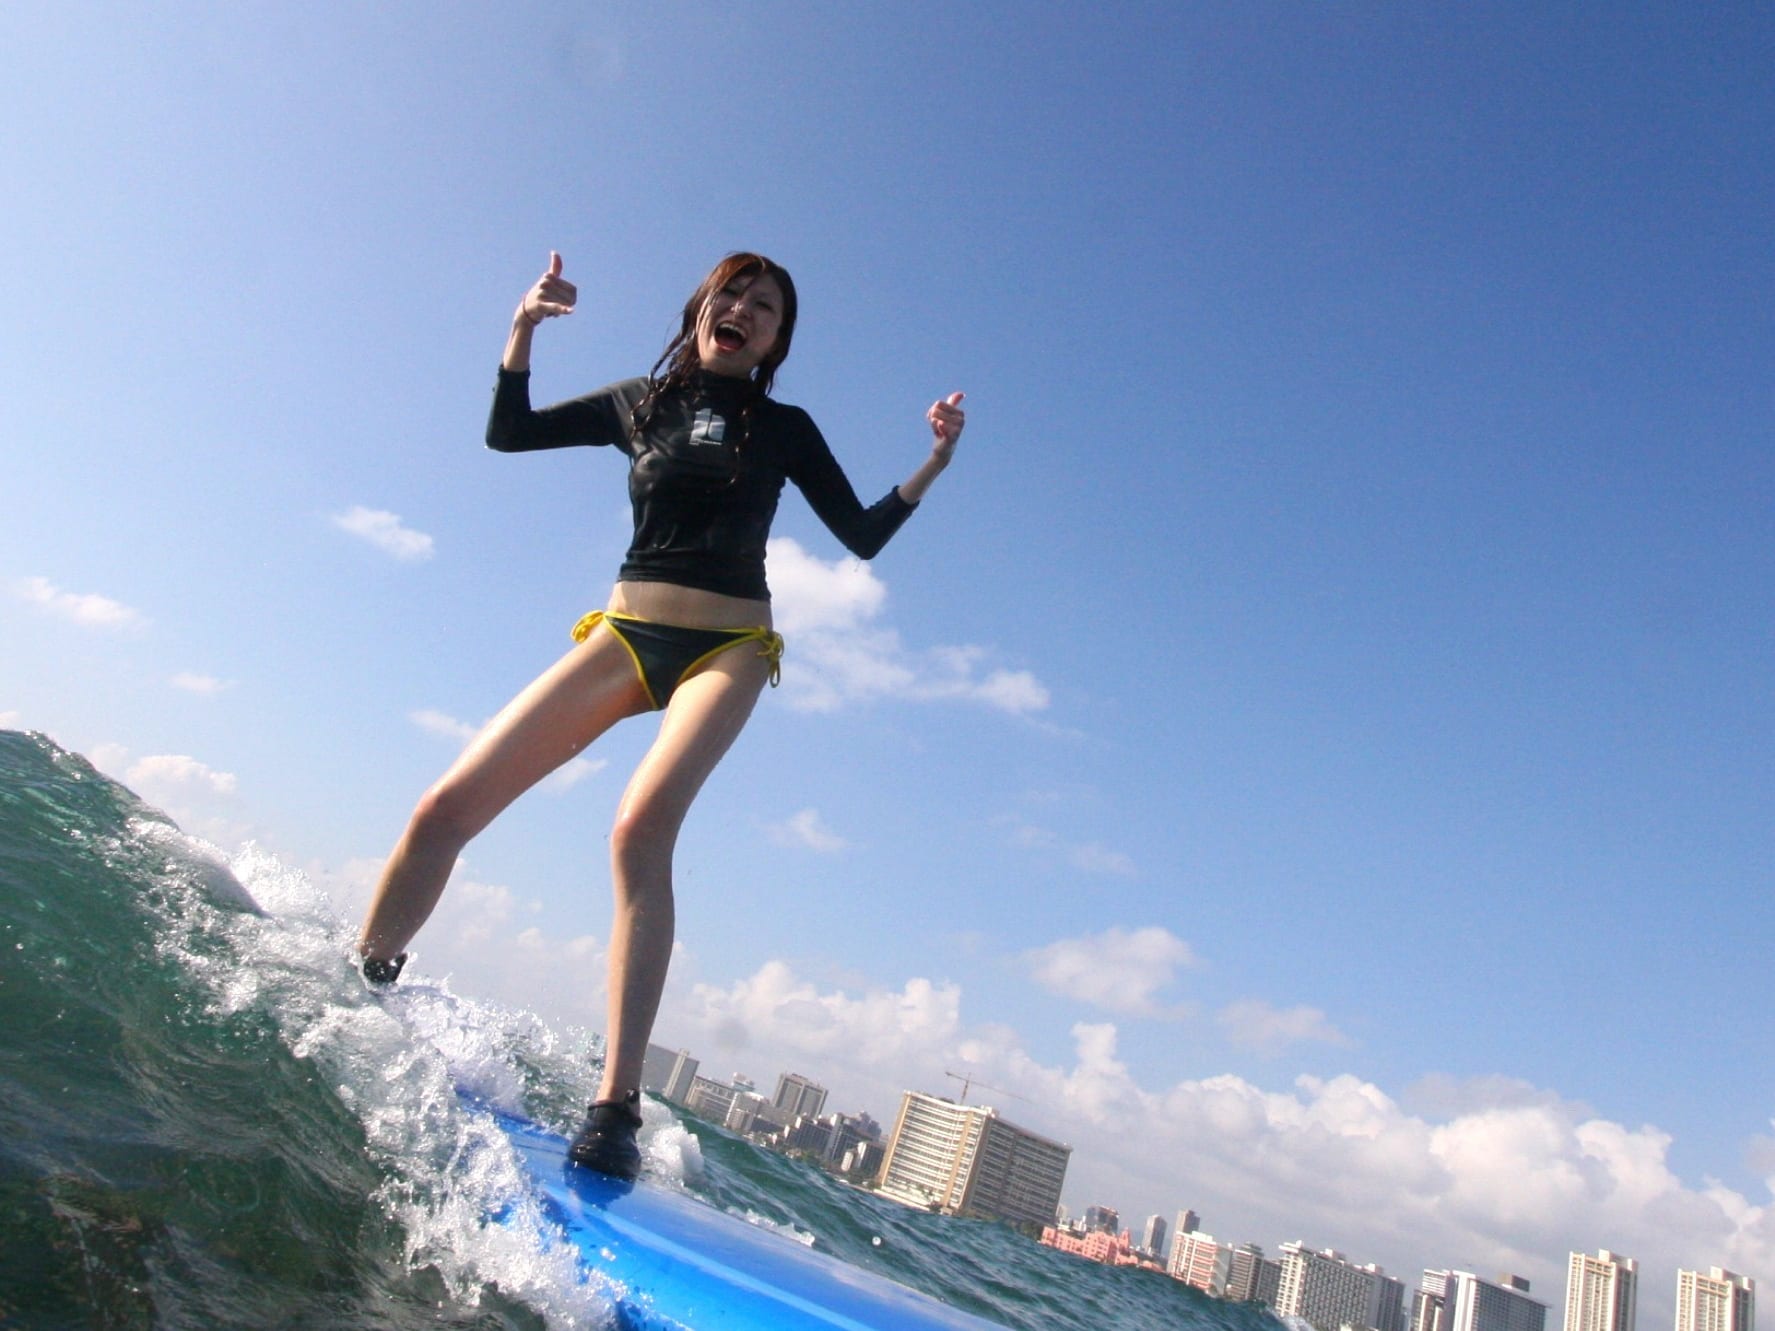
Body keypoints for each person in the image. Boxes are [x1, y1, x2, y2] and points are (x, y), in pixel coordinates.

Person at [355, 250, 966, 1179]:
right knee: (442, 810)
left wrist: (932, 461)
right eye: (733, 295)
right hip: (626, 633)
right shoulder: (638, 403)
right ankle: (362, 984)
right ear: (701, 308)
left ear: (775, 340)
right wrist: (522, 328)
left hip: (726, 649)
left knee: (638, 828)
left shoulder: (786, 428)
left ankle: (615, 1103)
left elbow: (861, 536)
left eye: (766, 307)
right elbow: (507, 433)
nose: (746, 311)